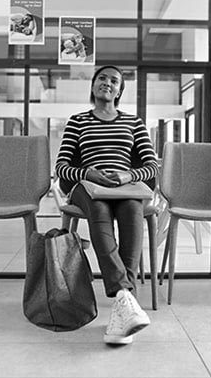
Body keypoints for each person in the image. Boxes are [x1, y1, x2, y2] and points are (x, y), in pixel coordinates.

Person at [55, 65, 158, 345]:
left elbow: (151, 166)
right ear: (93, 85)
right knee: (99, 211)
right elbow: (62, 167)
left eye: (114, 80)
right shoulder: (77, 122)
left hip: (124, 186)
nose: (107, 83)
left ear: (120, 90)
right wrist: (88, 173)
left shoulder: (134, 123)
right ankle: (126, 296)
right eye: (102, 78)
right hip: (87, 186)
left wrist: (128, 175)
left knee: (132, 208)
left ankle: (122, 307)